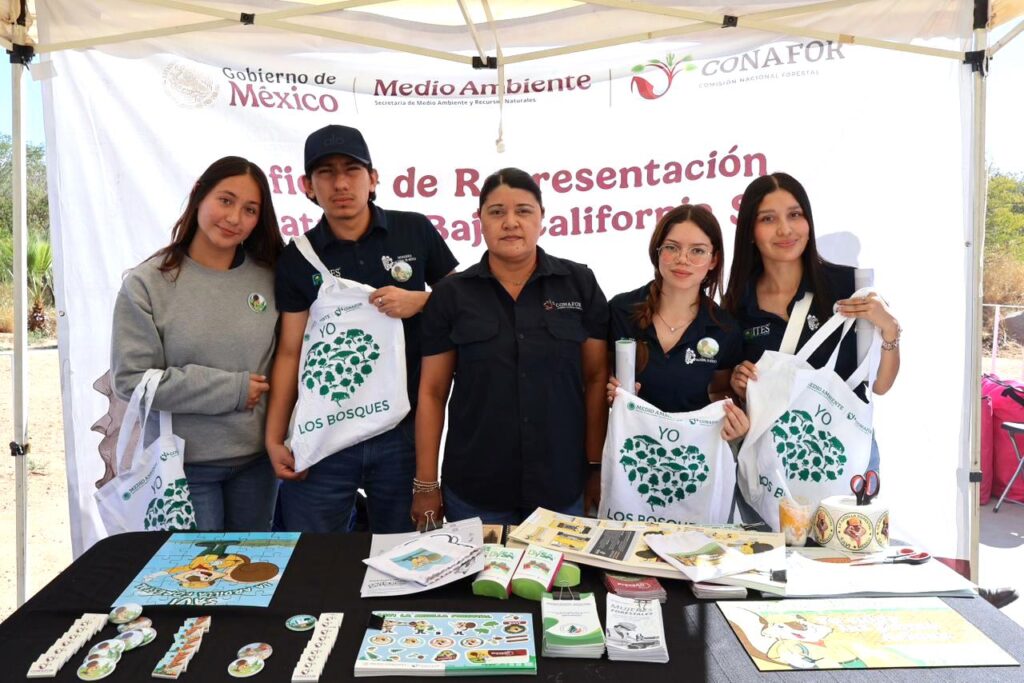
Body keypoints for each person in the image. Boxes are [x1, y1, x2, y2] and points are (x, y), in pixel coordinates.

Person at [267, 124, 458, 534]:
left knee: (404, 555)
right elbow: (289, 350)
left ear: (373, 179)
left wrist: (421, 300)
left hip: (403, 431)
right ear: (307, 186)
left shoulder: (414, 229)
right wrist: (274, 436)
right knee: (313, 555)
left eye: (352, 170)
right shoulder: (298, 257)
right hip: (325, 432)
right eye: (325, 173)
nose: (340, 184)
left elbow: (466, 301)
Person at [413, 168, 608, 527]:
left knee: (561, 569)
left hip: (561, 485)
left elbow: (596, 378)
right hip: (476, 490)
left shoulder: (578, 283)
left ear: (542, 218)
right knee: (477, 569)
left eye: (523, 210)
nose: (510, 222)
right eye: (497, 212)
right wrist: (426, 484)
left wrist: (595, 467)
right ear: (480, 220)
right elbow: (432, 392)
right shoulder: (451, 295)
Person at [111, 156, 283, 532]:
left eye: (250, 209)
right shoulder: (147, 284)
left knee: (253, 568)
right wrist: (232, 390)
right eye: (226, 200)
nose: (235, 217)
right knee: (201, 571)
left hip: (258, 466)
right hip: (184, 467)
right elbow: (131, 380)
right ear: (198, 195)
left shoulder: (271, 277)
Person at [723, 172, 901, 408]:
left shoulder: (849, 285)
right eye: (768, 219)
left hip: (846, 431)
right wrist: (739, 386)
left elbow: (879, 384)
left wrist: (890, 329)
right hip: (775, 432)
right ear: (750, 231)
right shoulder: (737, 304)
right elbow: (731, 394)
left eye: (794, 215)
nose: (785, 230)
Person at [606, 204, 749, 442]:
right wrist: (610, 393)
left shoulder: (724, 328)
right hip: (631, 450)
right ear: (657, 252)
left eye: (697, 251)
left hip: (693, 454)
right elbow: (595, 380)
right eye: (672, 247)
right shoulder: (620, 310)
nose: (682, 259)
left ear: (713, 260)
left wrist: (734, 422)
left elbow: (720, 393)